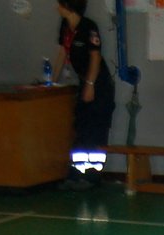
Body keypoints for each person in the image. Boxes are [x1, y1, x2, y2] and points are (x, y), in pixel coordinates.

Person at [51, 0, 115, 189]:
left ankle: (91, 177)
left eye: (60, 4)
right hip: (83, 81)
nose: (57, 7)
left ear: (69, 6)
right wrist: (51, 80)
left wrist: (90, 84)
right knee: (81, 128)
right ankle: (75, 174)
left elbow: (95, 57)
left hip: (98, 84)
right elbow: (63, 52)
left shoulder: (89, 27)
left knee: (95, 130)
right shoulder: (65, 26)